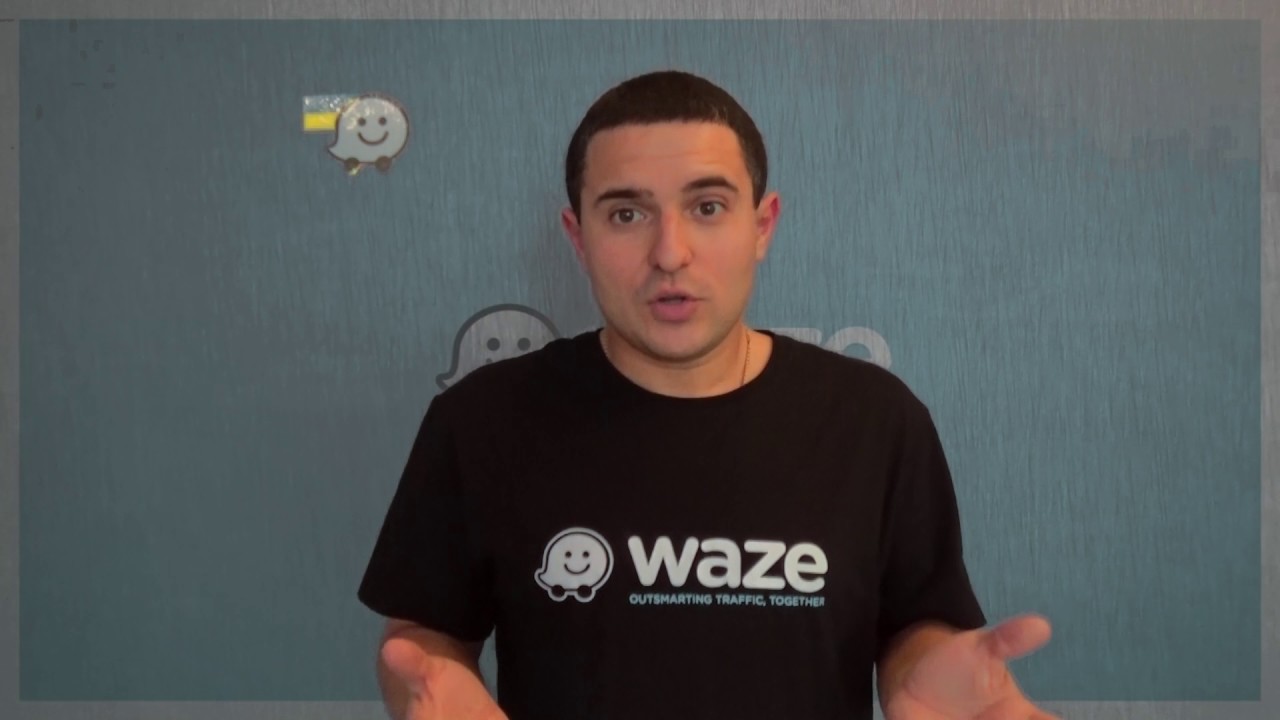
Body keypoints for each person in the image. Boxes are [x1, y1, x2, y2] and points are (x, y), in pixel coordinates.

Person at [357, 69, 1058, 720]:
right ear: (578, 237)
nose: (670, 252)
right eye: (626, 214)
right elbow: (424, 637)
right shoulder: (482, 421)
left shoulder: (874, 420)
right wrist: (427, 690)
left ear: (762, 225)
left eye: (708, 207)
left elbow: (914, 624)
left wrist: (922, 675)